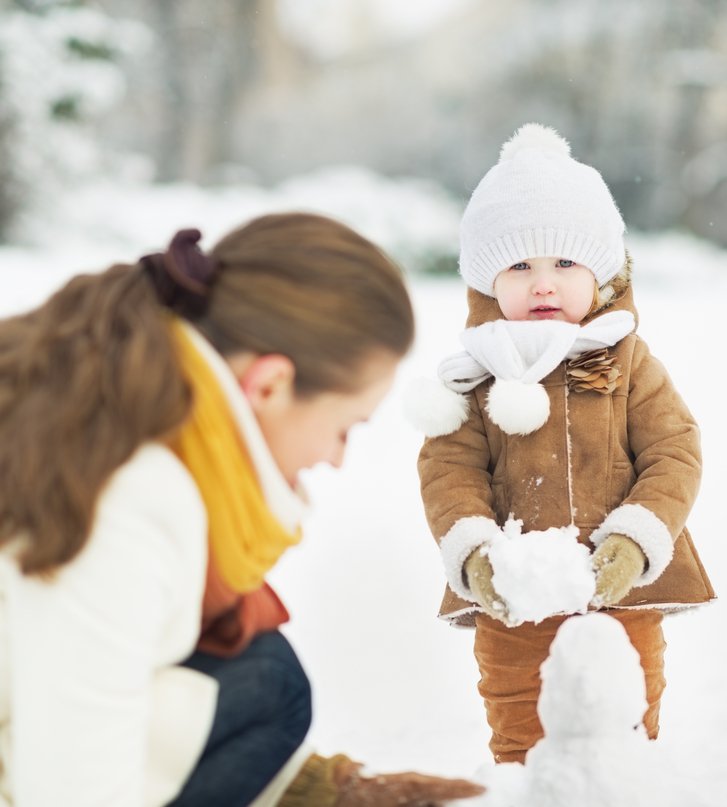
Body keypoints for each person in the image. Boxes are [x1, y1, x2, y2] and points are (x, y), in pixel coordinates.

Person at [0, 212, 485, 806]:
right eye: (344, 427)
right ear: (269, 385)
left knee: (260, 671)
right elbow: (68, 789)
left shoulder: (113, 405)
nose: (334, 458)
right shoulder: (130, 497)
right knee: (268, 685)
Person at [412, 124, 717, 764]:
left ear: (602, 274)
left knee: (627, 728)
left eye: (565, 263)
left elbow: (675, 451)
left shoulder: (629, 363)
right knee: (523, 732)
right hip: (515, 603)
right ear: (486, 280)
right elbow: (449, 470)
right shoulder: (473, 377)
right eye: (520, 265)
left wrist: (635, 540)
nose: (543, 284)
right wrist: (475, 555)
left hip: (622, 594)